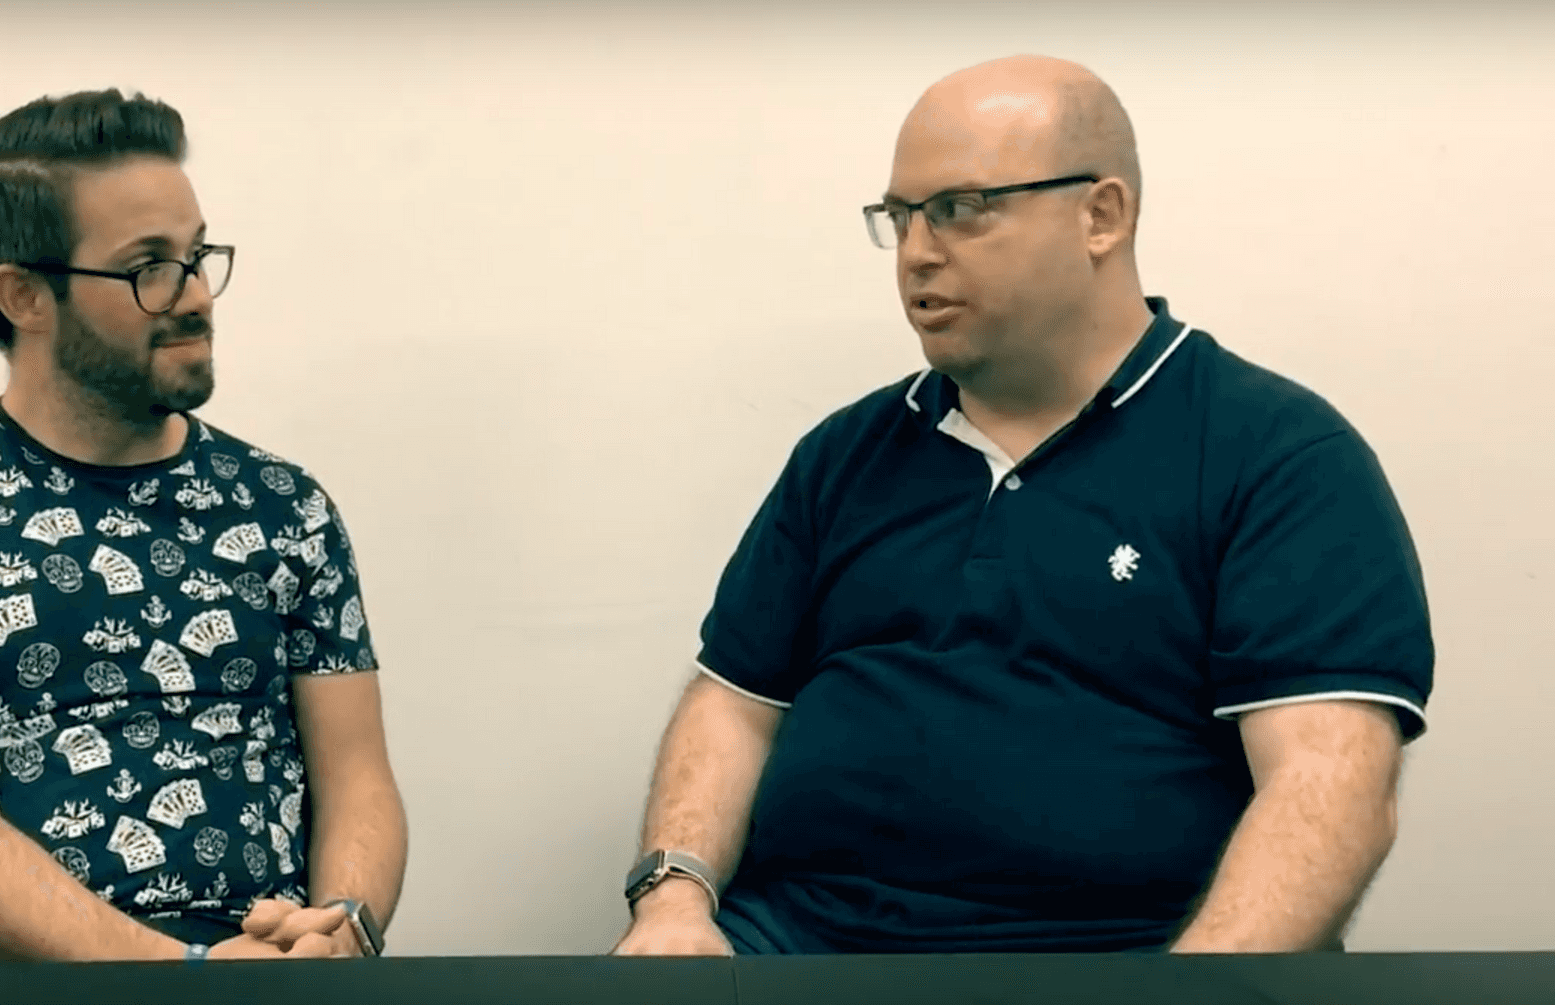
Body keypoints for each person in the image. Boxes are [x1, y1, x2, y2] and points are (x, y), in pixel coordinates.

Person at [613, 55, 1433, 956]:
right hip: (797, 949)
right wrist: (673, 901)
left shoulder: (1276, 455)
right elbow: (734, 704)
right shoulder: (844, 455)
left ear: (1101, 215)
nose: (918, 252)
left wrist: (1189, 992)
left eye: (960, 208)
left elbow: (1330, 785)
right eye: (900, 216)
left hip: (1120, 964)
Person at [0, 89, 406, 964]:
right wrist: (175, 976)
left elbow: (358, 777)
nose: (195, 295)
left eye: (197, 256)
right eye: (149, 266)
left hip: (259, 967)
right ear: (24, 295)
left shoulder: (284, 504)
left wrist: (343, 932)